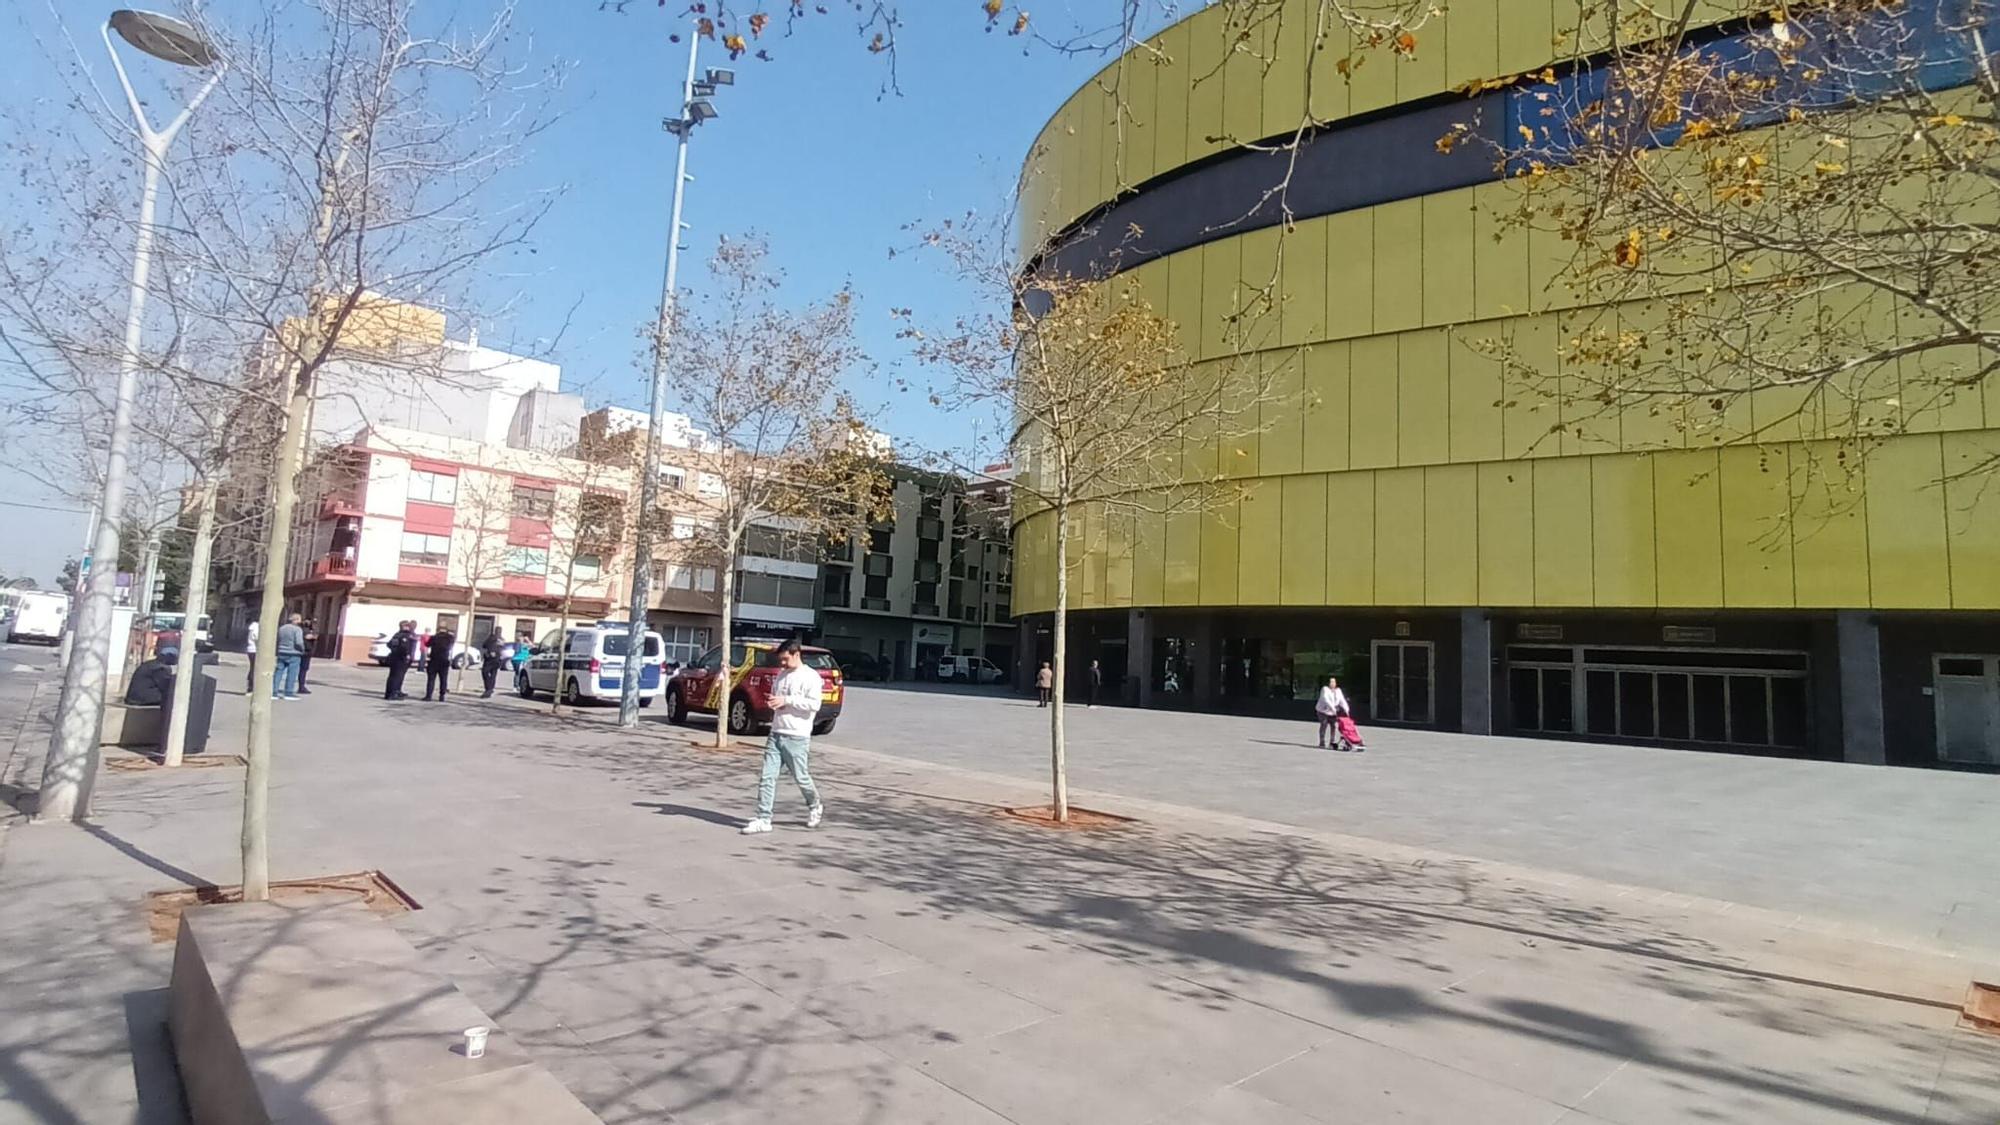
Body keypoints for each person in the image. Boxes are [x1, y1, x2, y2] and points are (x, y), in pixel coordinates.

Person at [740, 638, 825, 835]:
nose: (783, 664)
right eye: (781, 660)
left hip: (797, 736)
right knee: (767, 776)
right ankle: (763, 818)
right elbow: (778, 698)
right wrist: (774, 702)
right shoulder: (781, 675)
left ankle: (814, 805)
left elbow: (814, 704)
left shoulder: (810, 677)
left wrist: (787, 700)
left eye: (786, 659)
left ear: (797, 654)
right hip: (776, 732)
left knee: (801, 776)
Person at [273, 613, 306, 700]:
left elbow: (278, 639)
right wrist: (302, 649)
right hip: (294, 653)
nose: (300, 621)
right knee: (292, 673)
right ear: (296, 620)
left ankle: (274, 691)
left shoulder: (282, 628)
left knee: (278, 672)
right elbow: (298, 642)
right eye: (299, 619)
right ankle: (288, 692)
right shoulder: (297, 629)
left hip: (281, 652)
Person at [1316, 675, 1351, 751]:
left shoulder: (1338, 690)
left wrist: (1346, 709)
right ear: (1328, 683)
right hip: (1323, 711)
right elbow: (1326, 699)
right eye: (1331, 682)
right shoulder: (1325, 689)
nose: (1333, 683)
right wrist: (1333, 708)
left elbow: (1342, 701)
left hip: (1333, 712)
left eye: (1334, 682)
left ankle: (1332, 742)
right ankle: (1322, 741)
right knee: (1324, 724)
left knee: (1334, 725)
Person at [383, 620, 416, 700]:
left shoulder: (397, 634)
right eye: (407, 626)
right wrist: (406, 654)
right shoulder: (405, 635)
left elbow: (389, 644)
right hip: (401, 658)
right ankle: (393, 693)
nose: (409, 627)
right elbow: (404, 647)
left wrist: (394, 650)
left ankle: (390, 693)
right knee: (397, 676)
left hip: (394, 657)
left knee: (392, 676)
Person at [422, 624, 455, 701]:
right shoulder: (449, 638)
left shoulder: (434, 637)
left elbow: (427, 644)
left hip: (434, 660)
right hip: (444, 661)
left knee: (431, 679)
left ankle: (428, 696)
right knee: (443, 679)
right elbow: (451, 644)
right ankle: (442, 696)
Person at [479, 628, 505, 698]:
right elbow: (502, 648)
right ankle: (490, 688)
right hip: (498, 659)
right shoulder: (502, 639)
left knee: (485, 672)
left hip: (490, 658)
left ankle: (488, 689)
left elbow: (484, 645)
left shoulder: (492, 637)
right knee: (493, 674)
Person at [296, 618, 319, 695]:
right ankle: (301, 686)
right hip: (304, 651)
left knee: (303, 669)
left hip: (306, 652)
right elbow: (309, 637)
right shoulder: (303, 629)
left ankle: (301, 686)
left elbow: (315, 636)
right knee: (302, 670)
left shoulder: (304, 629)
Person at [244, 618, 260, 694]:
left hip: (251, 649)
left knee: (253, 668)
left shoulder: (253, 627)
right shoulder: (256, 627)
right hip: (255, 650)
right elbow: (256, 637)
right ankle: (251, 687)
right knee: (254, 669)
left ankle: (250, 686)